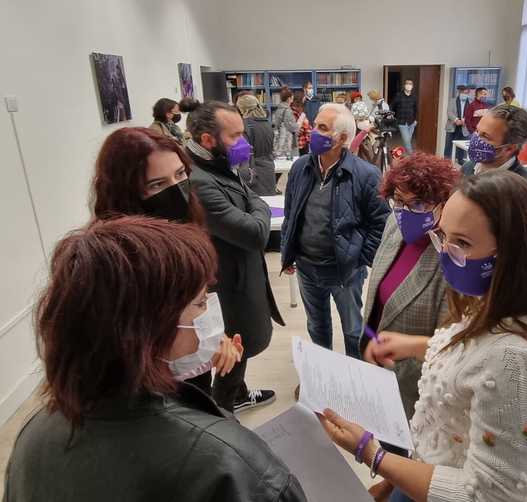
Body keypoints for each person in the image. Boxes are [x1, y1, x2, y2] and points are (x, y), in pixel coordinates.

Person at [319, 170, 527, 502]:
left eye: (462, 243)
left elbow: (493, 494)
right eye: (443, 237)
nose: (445, 253)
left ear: (511, 254)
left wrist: (371, 452)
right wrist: (420, 345)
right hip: (427, 469)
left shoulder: (518, 364)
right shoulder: (486, 302)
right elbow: (471, 358)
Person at [3, 217, 306, 502]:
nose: (210, 311)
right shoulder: (229, 462)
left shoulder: (33, 437)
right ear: (148, 328)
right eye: (200, 302)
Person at [91, 126, 244, 395]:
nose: (176, 190)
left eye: (180, 174)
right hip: (152, 383)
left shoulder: (185, 223)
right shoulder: (116, 256)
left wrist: (215, 338)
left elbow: (197, 300)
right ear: (126, 192)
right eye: (157, 184)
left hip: (191, 368)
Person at [183, 99, 285, 412]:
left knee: (238, 347)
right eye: (235, 136)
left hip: (240, 272)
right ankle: (223, 414)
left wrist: (259, 208)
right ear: (207, 140)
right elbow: (255, 232)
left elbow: (253, 201)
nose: (244, 143)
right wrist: (261, 209)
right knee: (233, 350)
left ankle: (238, 395)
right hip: (227, 284)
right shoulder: (199, 181)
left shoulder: (219, 165)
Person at [280, 103, 390, 359]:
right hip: (307, 268)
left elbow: (381, 223)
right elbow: (291, 214)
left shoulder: (366, 174)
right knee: (317, 325)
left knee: (352, 328)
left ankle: (353, 375)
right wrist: (288, 252)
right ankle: (323, 374)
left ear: (341, 138)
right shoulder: (299, 168)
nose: (312, 132)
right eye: (315, 125)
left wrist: (358, 259)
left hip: (344, 271)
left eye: (322, 128)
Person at [360, 152, 460, 421]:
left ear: (444, 202)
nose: (405, 212)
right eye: (399, 201)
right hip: (377, 367)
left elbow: (453, 346)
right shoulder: (395, 223)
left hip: (417, 387)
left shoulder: (453, 259)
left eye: (418, 204)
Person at [461, 105, 527, 223]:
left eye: (485, 136)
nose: (475, 140)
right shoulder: (467, 168)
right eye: (477, 131)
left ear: (509, 148)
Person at [237, 94, 277, 196]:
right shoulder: (266, 123)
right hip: (269, 165)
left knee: (255, 201)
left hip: (253, 167)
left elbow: (243, 150)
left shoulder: (245, 125)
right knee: (269, 199)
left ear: (243, 109)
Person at [274, 85, 303, 161]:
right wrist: (298, 125)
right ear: (290, 98)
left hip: (279, 137)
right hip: (287, 139)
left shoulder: (278, 110)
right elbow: (292, 127)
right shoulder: (287, 110)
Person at [444, 85, 471, 165]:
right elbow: (449, 112)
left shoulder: (470, 103)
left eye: (466, 92)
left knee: (461, 146)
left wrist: (464, 120)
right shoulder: (453, 101)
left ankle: (460, 160)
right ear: (459, 92)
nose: (464, 94)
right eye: (463, 92)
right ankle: (446, 160)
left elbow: (470, 114)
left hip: (463, 127)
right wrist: (456, 120)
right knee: (448, 145)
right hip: (452, 126)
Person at [391, 79, 419, 154]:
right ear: (404, 85)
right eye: (407, 83)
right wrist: (390, 113)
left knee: (407, 141)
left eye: (410, 84)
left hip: (411, 122)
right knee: (406, 140)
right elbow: (392, 105)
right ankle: (412, 156)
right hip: (401, 121)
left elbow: (416, 109)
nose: (409, 85)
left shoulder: (414, 97)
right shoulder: (398, 95)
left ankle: (400, 154)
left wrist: (416, 120)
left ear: (412, 86)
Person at [292, 90, 312, 156]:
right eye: (303, 98)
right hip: (300, 140)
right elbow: (296, 127)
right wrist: (306, 128)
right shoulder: (294, 111)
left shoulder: (300, 111)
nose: (305, 99)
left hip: (304, 140)